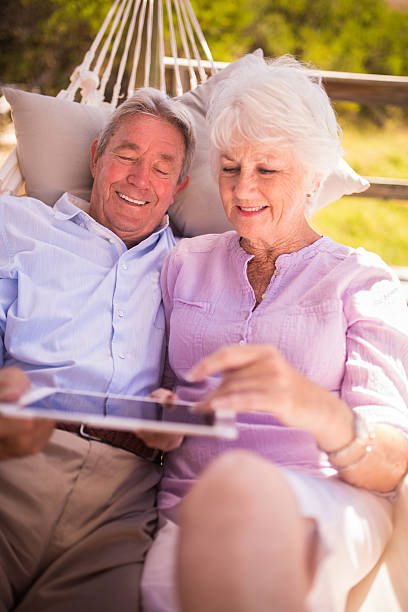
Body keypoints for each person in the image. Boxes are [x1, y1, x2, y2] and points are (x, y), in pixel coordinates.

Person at [140, 56, 408, 612]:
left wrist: (311, 406)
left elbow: (391, 460)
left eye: (268, 170)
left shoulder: (360, 280)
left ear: (313, 176)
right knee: (168, 591)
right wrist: (161, 419)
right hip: (190, 501)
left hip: (327, 496)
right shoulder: (182, 264)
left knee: (245, 504)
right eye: (230, 167)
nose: (242, 190)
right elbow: (162, 395)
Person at [0, 88, 194, 611]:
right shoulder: (15, 227)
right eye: (126, 156)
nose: (138, 179)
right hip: (16, 460)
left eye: (160, 168)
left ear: (179, 188)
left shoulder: (196, 270)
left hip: (123, 500)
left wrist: (174, 415)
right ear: (95, 157)